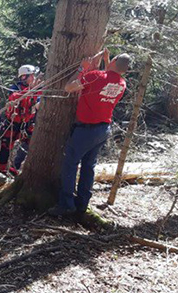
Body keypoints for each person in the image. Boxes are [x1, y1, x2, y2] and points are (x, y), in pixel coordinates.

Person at [48, 49, 130, 217]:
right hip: (102, 130)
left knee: (70, 165)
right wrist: (107, 61)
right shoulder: (121, 83)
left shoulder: (94, 76)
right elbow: (109, 78)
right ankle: (82, 205)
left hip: (85, 130)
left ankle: (66, 205)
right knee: (88, 167)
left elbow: (69, 88)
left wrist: (82, 68)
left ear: (114, 60)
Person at [0, 65, 42, 175]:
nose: (34, 78)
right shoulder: (15, 89)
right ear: (25, 77)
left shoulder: (37, 90)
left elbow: (38, 104)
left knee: (33, 147)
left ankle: (17, 168)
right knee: (5, 152)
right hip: (13, 125)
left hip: (27, 125)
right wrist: (31, 90)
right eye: (32, 76)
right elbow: (14, 97)